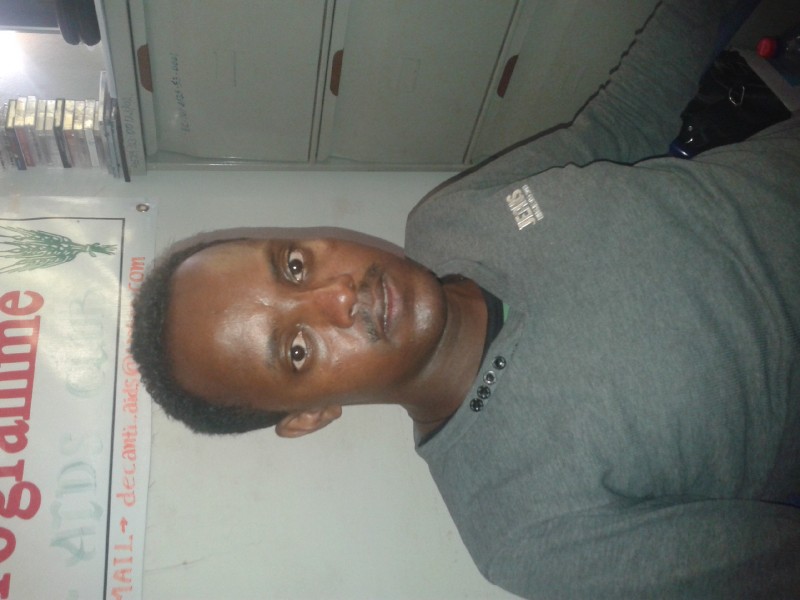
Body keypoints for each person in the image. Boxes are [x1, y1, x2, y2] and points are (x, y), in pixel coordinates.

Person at [131, 0, 800, 597]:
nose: (339, 295)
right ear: (310, 416)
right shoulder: (526, 531)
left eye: (295, 265)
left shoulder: (447, 219)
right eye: (297, 349)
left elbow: (622, 121)